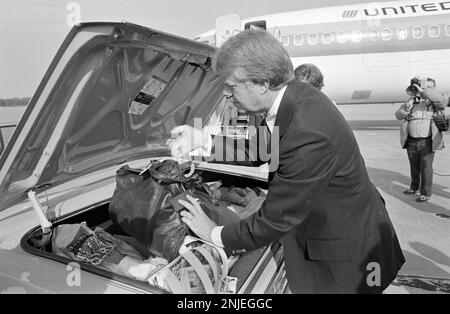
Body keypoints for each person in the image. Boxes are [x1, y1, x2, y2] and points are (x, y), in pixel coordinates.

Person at [168, 29, 405, 293]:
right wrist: (202, 140)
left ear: (262, 83)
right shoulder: (294, 98)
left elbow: (274, 221)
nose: (225, 93)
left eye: (232, 85)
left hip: (347, 257)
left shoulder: (307, 131)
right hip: (341, 230)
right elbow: (262, 149)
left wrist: (213, 232)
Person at [395, 77, 447, 202]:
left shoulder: (437, 101)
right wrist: (407, 106)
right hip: (412, 141)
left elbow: (441, 102)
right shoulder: (413, 101)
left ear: (433, 88)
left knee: (426, 168)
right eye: (424, 87)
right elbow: (398, 115)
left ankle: (426, 193)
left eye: (428, 87)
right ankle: (414, 187)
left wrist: (425, 91)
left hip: (428, 141)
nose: (424, 89)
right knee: (414, 167)